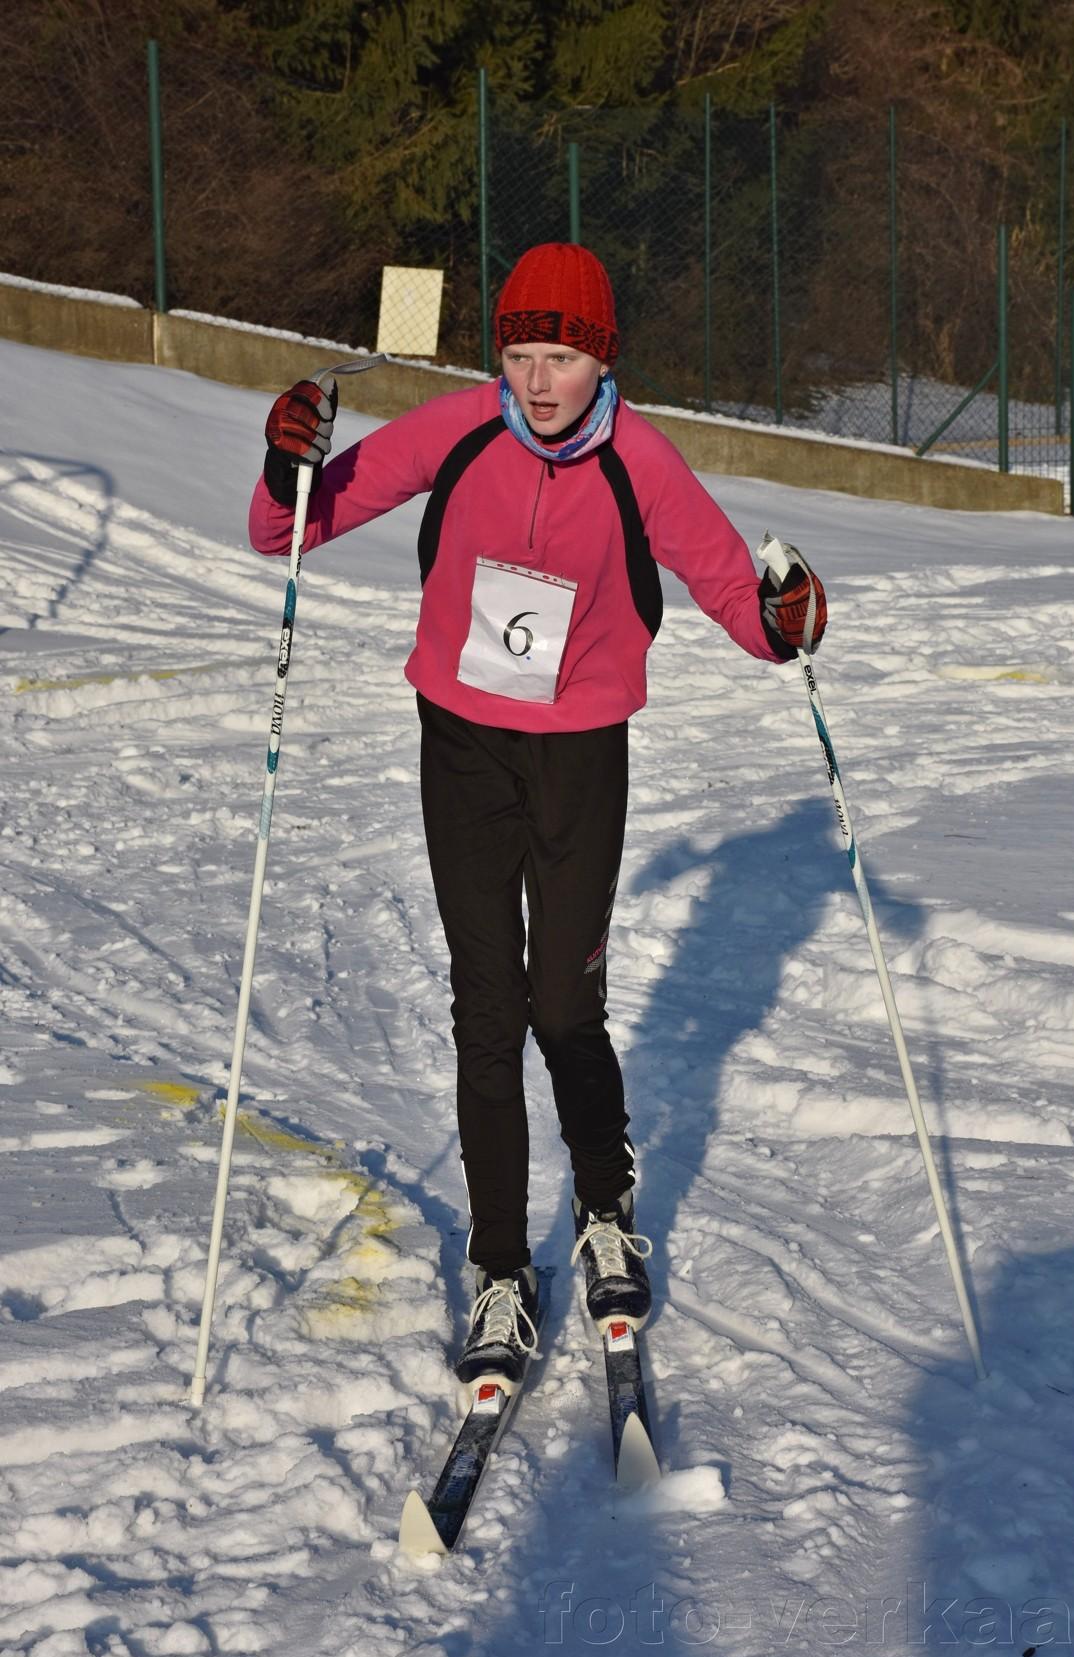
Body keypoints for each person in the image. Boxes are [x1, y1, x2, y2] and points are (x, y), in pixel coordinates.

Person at [248, 242, 827, 1394]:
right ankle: (501, 1266)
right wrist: (284, 463)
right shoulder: (460, 431)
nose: (537, 381)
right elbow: (288, 527)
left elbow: (729, 586)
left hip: (580, 754)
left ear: (599, 357)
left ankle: (604, 1207)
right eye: (518, 356)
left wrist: (787, 623)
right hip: (461, 745)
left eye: (559, 357)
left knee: (562, 1002)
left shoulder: (638, 457)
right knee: (486, 1005)